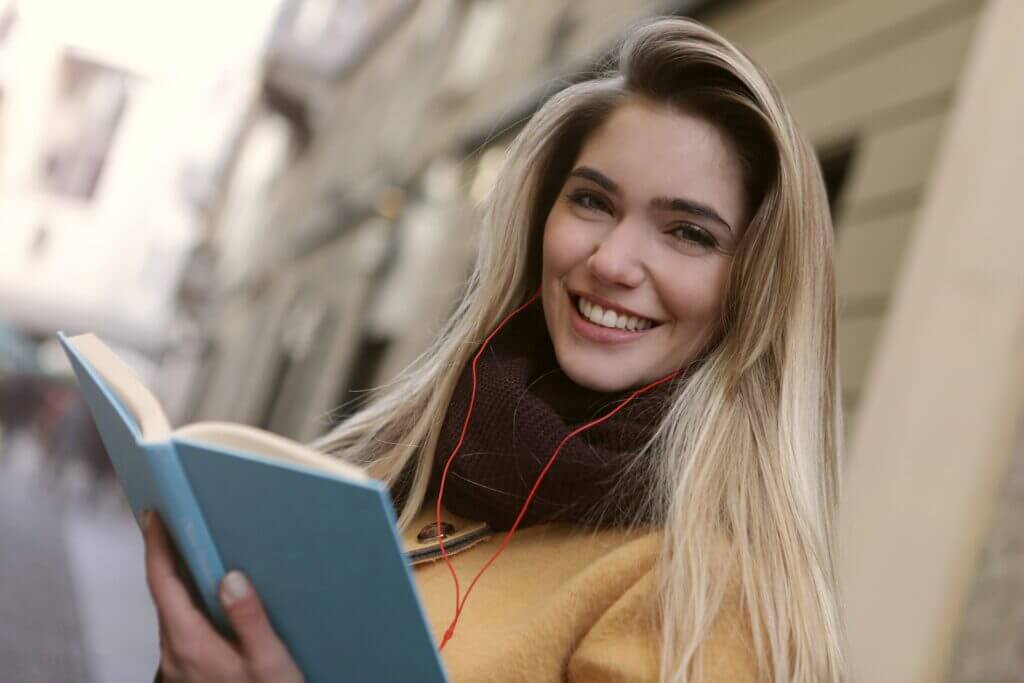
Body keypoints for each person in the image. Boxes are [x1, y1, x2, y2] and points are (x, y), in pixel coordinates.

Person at [142, 16, 847, 682]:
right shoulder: (403, 462)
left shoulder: (709, 593)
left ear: (755, 290)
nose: (611, 261)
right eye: (593, 201)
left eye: (689, 233)